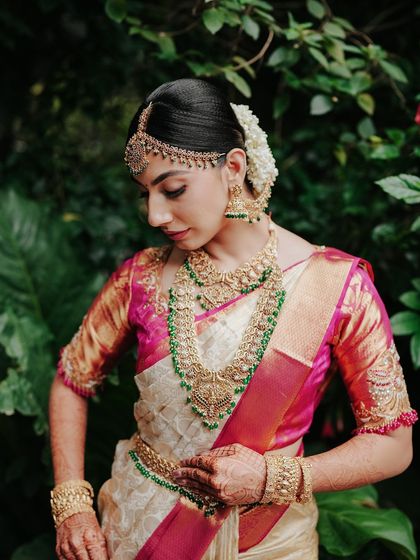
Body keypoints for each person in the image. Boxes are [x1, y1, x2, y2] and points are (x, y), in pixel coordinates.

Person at [49, 78, 417, 560]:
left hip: (269, 544)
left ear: (234, 167)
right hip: (137, 530)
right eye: (145, 194)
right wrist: (72, 505)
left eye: (174, 188)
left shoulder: (337, 288)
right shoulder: (141, 278)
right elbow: (71, 379)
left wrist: (271, 478)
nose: (156, 214)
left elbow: (393, 444)